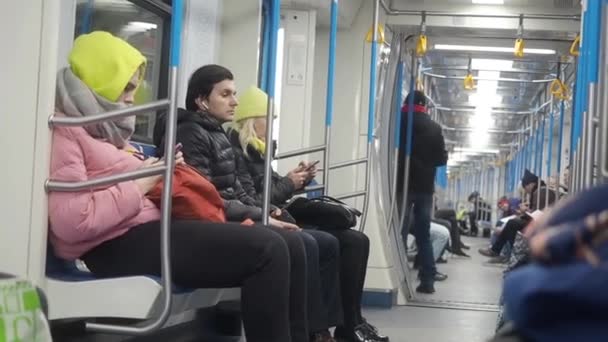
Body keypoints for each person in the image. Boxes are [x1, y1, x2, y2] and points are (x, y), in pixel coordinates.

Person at [48, 31, 296, 342]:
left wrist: (162, 173)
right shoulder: (68, 133)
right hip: (114, 244)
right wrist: (142, 182)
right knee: (267, 248)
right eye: (125, 88)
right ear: (99, 80)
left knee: (272, 244)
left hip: (148, 228)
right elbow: (71, 221)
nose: (130, 99)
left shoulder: (105, 133)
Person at [153, 65, 339, 342]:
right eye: (226, 94)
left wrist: (266, 213)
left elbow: (239, 192)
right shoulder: (190, 134)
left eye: (235, 94)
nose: (234, 101)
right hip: (204, 224)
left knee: (299, 240)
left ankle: (309, 333)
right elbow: (203, 197)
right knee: (291, 244)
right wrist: (262, 215)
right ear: (201, 100)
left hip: (227, 215)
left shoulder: (217, 134)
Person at [227, 86, 389, 342]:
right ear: (251, 121)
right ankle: (317, 330)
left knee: (356, 241)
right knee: (323, 243)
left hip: (278, 212)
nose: (272, 126)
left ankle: (350, 322)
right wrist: (289, 184)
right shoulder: (237, 153)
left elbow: (274, 187)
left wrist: (298, 179)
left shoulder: (258, 152)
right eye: (268, 119)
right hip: (264, 218)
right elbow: (255, 199)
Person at [397, 90, 448, 294]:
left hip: (403, 184)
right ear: (424, 105)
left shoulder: (399, 121)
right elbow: (441, 160)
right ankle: (427, 280)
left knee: (399, 230)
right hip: (425, 188)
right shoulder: (434, 127)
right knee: (423, 235)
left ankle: (398, 275)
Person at [479, 170, 557, 259]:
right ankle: (504, 253)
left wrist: (525, 211)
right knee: (510, 224)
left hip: (539, 222)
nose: (526, 191)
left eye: (526, 187)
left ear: (531, 184)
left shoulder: (540, 192)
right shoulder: (540, 191)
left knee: (512, 224)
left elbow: (538, 212)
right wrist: (527, 210)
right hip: (539, 220)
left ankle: (503, 253)